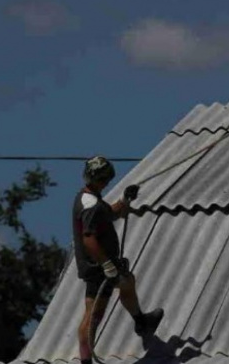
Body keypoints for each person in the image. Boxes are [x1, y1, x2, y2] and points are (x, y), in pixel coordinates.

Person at [72, 156, 163, 364]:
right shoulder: (91, 205)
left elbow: (108, 214)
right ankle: (86, 361)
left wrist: (124, 201)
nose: (108, 182)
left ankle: (141, 321)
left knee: (127, 282)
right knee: (93, 316)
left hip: (104, 265)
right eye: (106, 179)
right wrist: (106, 265)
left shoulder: (89, 197)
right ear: (99, 179)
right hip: (99, 268)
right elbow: (89, 239)